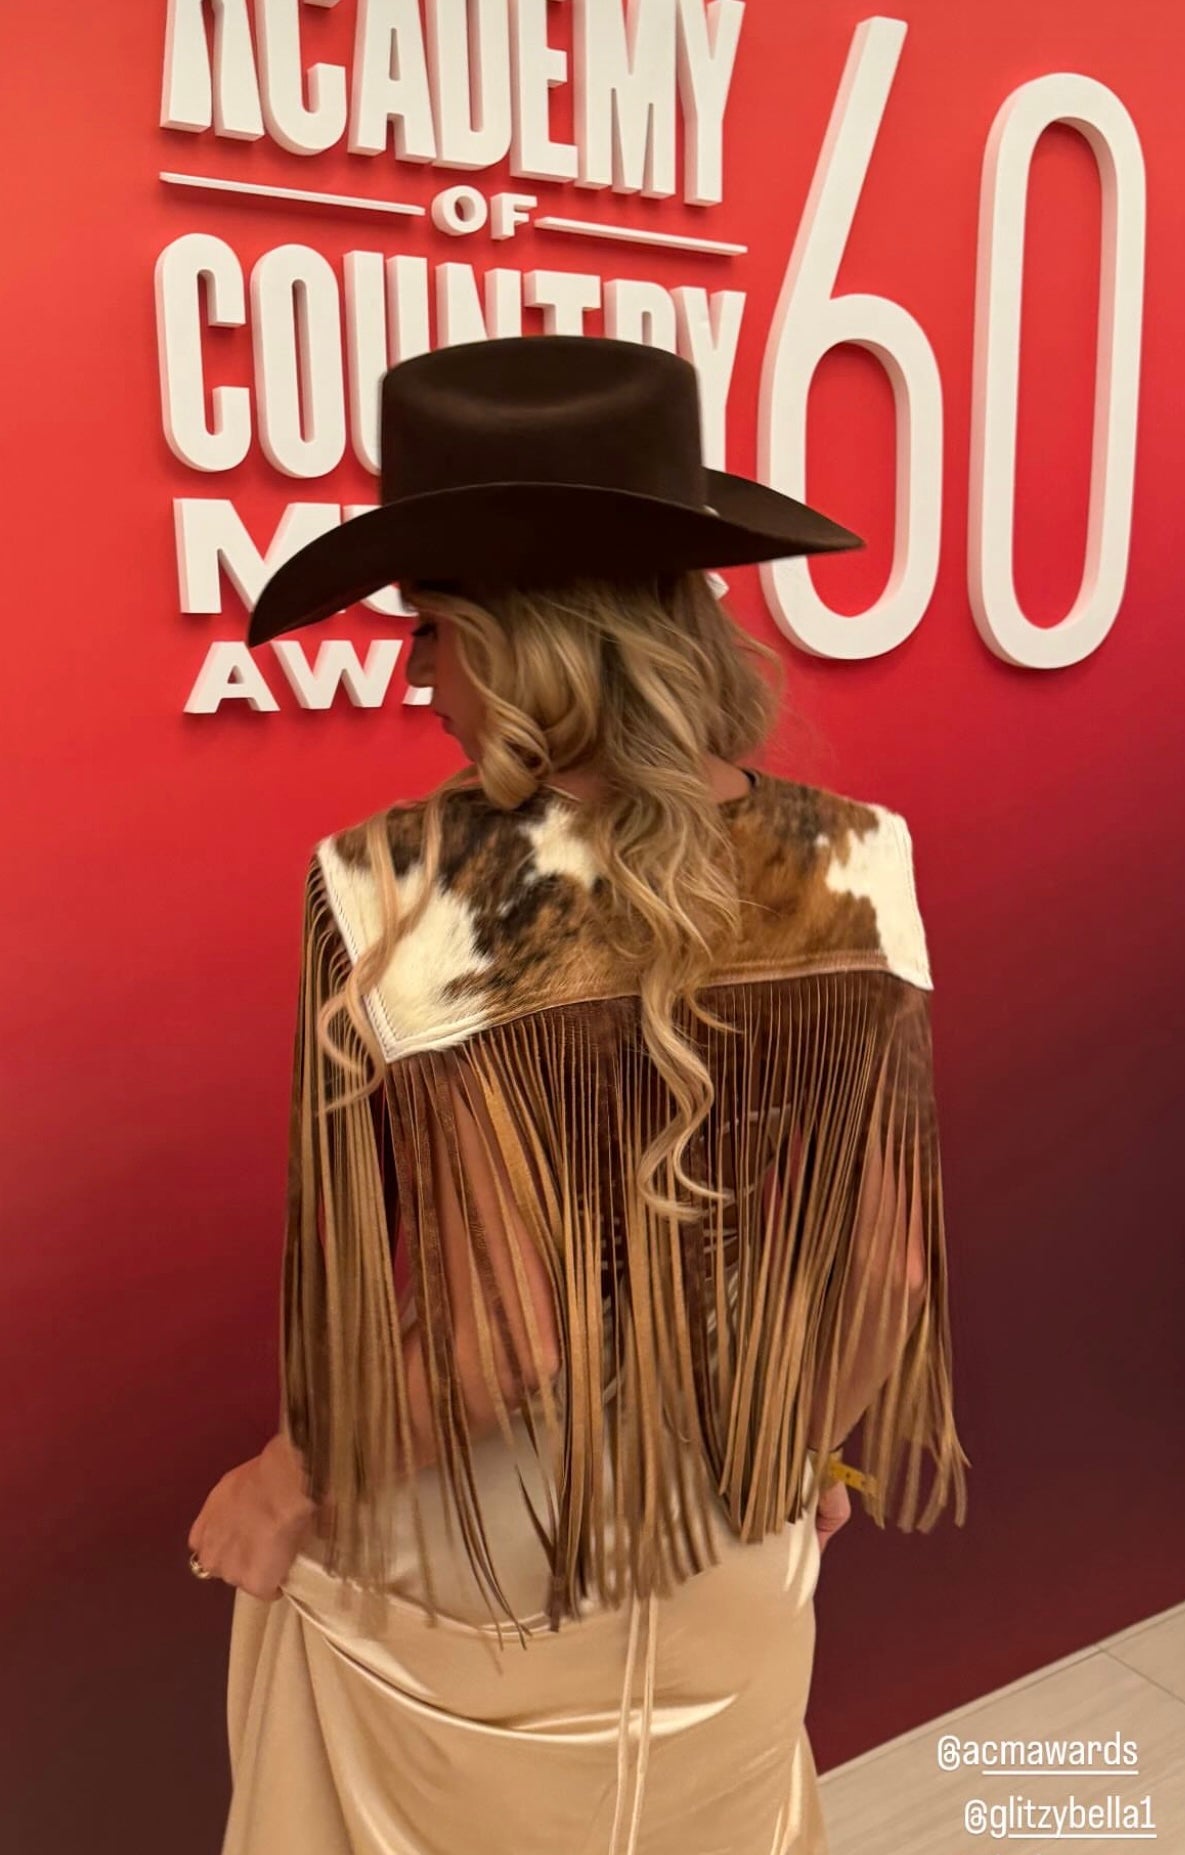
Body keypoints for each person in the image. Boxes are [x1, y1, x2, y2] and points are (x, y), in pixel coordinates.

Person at [189, 335, 969, 1855]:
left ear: (522, 642)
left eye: (432, 632)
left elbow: (502, 1340)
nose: (416, 677)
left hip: (491, 1562)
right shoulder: (857, 859)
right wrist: (807, 1450)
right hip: (735, 1518)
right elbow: (881, 1266)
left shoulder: (402, 888)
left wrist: (286, 1479)